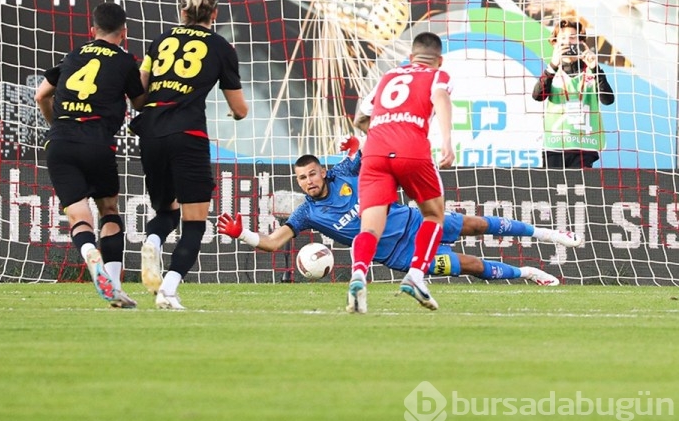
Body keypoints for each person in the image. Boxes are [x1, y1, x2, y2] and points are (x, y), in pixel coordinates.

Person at [217, 150, 582, 305]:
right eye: (301, 178)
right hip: (404, 256)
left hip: (416, 220)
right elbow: (273, 243)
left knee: (476, 223)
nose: (308, 181)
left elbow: (370, 145)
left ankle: (545, 234)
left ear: (323, 171)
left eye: (312, 173)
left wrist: (363, 137)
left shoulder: (345, 172)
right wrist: (244, 234)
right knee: (467, 265)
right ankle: (527, 272)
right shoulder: (306, 214)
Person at [131, 0, 249, 310]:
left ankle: (153, 241)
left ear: (182, 13)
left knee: (165, 211)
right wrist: (235, 113)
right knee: (194, 222)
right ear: (214, 14)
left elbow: (139, 96)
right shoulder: (222, 47)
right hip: (188, 134)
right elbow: (239, 108)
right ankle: (168, 290)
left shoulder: (160, 41)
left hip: (152, 132)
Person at [35, 2, 145, 308]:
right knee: (108, 210)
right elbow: (140, 102)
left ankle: (87, 252)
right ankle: (114, 284)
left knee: (78, 216)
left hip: (60, 142)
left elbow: (41, 94)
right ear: (124, 32)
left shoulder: (74, 55)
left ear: (92, 30)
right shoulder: (125, 62)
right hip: (97, 142)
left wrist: (56, 122)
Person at [346, 31, 454, 313]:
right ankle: (416, 275)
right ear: (438, 60)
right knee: (433, 214)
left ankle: (358, 273)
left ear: (410, 57)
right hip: (411, 148)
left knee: (370, 226)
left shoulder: (388, 77)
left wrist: (385, 133)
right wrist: (447, 141)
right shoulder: (437, 76)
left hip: (375, 151)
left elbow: (360, 118)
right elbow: (441, 98)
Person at [532, 18, 615, 168]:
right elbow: (537, 96)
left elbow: (608, 100)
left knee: (580, 190)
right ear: (555, 43)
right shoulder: (551, 71)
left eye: (572, 37)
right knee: (552, 189)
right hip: (555, 145)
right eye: (562, 38)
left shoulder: (591, 69)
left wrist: (596, 69)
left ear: (581, 42)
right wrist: (553, 65)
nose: (567, 42)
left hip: (584, 145)